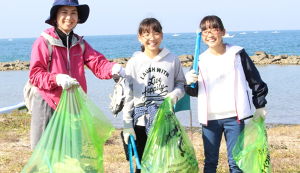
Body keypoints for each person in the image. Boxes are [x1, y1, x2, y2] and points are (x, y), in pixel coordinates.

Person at [29, 0, 124, 149]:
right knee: (43, 152)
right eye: (64, 12)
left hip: (73, 104)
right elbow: (35, 74)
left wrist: (114, 69)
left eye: (73, 13)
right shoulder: (44, 42)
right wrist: (56, 78)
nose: (69, 17)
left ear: (78, 18)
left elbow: (97, 63)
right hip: (48, 102)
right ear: (55, 17)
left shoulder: (79, 44)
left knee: (70, 152)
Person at [185, 15, 268, 173]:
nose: (210, 34)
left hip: (234, 118)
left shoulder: (237, 54)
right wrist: (188, 82)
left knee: (236, 162)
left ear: (223, 31)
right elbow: (193, 91)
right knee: (210, 162)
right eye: (205, 31)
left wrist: (260, 105)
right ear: (201, 36)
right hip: (209, 120)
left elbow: (255, 80)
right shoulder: (200, 60)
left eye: (214, 29)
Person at [122, 18, 186, 172]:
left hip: (165, 121)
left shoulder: (172, 59)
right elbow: (128, 94)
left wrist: (174, 95)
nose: (152, 38)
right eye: (146, 34)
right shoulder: (134, 62)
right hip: (141, 122)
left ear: (162, 35)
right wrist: (127, 125)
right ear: (139, 37)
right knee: (141, 164)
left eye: (156, 33)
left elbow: (181, 84)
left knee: (165, 164)